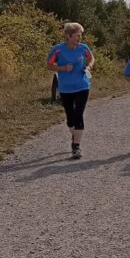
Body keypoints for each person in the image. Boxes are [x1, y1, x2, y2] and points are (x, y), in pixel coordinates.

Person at [46, 22, 94, 159]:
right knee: (70, 119)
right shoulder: (58, 50)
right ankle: (75, 135)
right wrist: (62, 68)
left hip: (82, 86)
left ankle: (76, 146)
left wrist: (89, 66)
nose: (80, 38)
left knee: (79, 115)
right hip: (66, 88)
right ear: (68, 36)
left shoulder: (83, 48)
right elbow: (49, 65)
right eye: (77, 36)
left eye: (81, 35)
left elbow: (91, 58)